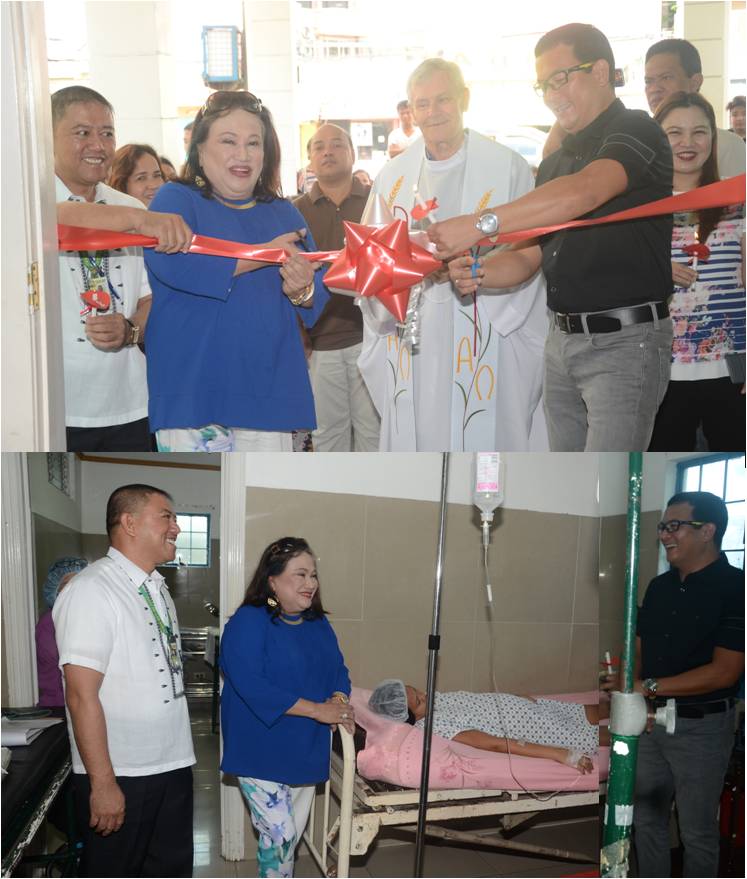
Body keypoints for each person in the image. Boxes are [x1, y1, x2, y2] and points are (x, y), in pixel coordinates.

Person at [440, 23, 674, 452]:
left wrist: (478, 224)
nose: (551, 95)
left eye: (560, 78)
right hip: (561, 342)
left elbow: (585, 192)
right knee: (568, 484)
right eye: (543, 85)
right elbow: (527, 258)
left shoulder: (638, 130)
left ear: (601, 72)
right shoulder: (555, 163)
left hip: (625, 343)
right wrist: (477, 271)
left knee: (606, 484)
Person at [359, 58, 549, 451]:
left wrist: (479, 269)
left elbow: (528, 249)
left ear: (464, 98)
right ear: (411, 111)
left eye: (443, 99)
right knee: (421, 428)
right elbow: (370, 263)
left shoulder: (507, 167)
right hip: (416, 326)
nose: (433, 112)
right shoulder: (391, 178)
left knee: (481, 431)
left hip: (485, 322)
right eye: (422, 103)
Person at [143, 90, 329, 451]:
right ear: (199, 149)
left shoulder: (283, 211)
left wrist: (302, 288)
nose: (242, 155)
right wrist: (265, 254)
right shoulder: (174, 200)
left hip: (270, 393)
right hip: (194, 394)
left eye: (253, 143)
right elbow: (174, 265)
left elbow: (315, 295)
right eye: (228, 141)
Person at [52, 484, 195, 877]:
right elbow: (80, 697)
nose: (177, 527)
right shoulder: (92, 590)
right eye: (166, 516)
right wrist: (103, 784)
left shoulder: (157, 586)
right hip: (123, 773)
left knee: (171, 868)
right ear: (129, 523)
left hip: (173, 762)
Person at [602, 491, 744, 877]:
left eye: (675, 526)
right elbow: (637, 646)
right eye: (662, 526)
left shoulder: (736, 588)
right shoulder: (658, 587)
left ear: (708, 531)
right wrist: (626, 681)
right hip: (649, 723)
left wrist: (645, 687)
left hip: (702, 728)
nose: (665, 534)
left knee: (696, 831)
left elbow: (725, 672)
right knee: (646, 821)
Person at [53, 86, 191, 452]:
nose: (98, 145)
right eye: (82, 133)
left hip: (132, 404)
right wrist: (140, 221)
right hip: (57, 407)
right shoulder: (29, 200)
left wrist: (130, 330)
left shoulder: (129, 207)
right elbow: (58, 217)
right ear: (46, 137)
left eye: (107, 133)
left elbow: (151, 299)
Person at [220, 537, 353, 878]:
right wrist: (317, 710)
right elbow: (251, 683)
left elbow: (338, 669)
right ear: (272, 580)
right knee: (281, 836)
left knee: (284, 840)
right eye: (300, 575)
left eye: (313, 575)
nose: (311, 583)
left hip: (304, 746)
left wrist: (338, 701)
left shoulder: (317, 624)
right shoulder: (248, 622)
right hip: (259, 748)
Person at [648, 92, 745, 451]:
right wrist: (655, 270)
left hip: (733, 372)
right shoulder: (640, 210)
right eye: (674, 132)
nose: (687, 143)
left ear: (713, 138)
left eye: (699, 132)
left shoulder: (737, 203)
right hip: (661, 375)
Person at [293, 124, 380, 451]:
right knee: (328, 437)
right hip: (320, 344)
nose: (327, 151)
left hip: (371, 340)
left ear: (353, 153)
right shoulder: (295, 211)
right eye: (318, 147)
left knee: (375, 434)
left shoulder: (377, 203)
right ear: (310, 160)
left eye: (336, 144)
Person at [368, 680, 601, 773]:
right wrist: (561, 754)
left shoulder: (434, 700)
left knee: (607, 707)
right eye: (419, 701)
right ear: (407, 717)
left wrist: (516, 698)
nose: (425, 696)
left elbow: (476, 702)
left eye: (418, 690)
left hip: (531, 708)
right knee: (615, 732)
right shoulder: (433, 726)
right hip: (535, 728)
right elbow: (494, 744)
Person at [644, 39, 746, 178]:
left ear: (695, 82)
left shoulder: (727, 146)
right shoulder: (637, 144)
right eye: (649, 81)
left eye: (666, 77)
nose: (654, 89)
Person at [36, 557, 88, 708]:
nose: (74, 589)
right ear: (55, 589)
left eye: (80, 583)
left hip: (79, 703)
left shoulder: (85, 618)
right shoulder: (49, 624)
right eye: (67, 584)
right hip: (58, 706)